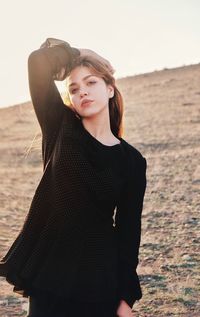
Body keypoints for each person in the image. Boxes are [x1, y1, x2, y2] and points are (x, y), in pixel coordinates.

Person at [0, 38, 147, 317]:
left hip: (100, 282)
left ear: (110, 89)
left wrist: (125, 298)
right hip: (51, 277)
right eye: (74, 88)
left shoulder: (132, 161)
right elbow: (37, 62)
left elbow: (129, 233)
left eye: (91, 83)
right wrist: (81, 53)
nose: (83, 92)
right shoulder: (60, 126)